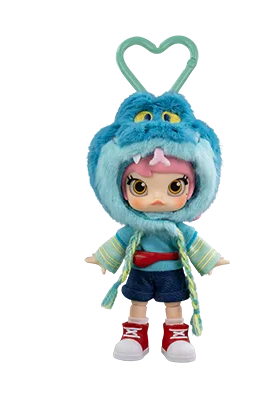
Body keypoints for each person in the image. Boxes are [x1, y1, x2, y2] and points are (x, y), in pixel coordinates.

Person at [85, 92, 230, 362]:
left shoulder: (179, 231)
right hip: (139, 270)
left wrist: (212, 261)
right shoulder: (135, 230)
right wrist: (102, 259)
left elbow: (195, 244)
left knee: (174, 304)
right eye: (140, 187)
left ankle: (175, 334)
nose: (157, 198)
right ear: (121, 190)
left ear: (194, 188)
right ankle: (135, 333)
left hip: (172, 271)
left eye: (174, 187)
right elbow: (119, 243)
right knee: (136, 304)